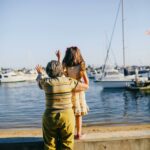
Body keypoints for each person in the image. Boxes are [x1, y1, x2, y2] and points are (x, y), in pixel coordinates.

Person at [36, 60, 88, 150]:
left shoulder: (46, 83)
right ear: (61, 70)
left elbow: (39, 81)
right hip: (67, 116)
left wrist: (40, 73)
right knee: (67, 144)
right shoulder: (69, 81)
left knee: (49, 145)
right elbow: (85, 86)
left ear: (48, 71)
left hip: (50, 116)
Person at [56, 46, 89, 139]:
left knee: (69, 113)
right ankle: (78, 134)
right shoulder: (81, 66)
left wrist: (58, 58)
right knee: (78, 114)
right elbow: (87, 83)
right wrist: (80, 86)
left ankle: (69, 133)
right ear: (77, 54)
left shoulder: (65, 66)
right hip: (78, 91)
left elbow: (58, 71)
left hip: (68, 91)